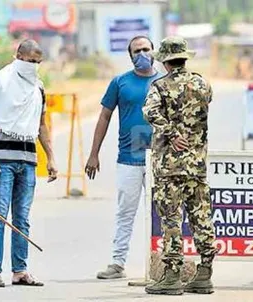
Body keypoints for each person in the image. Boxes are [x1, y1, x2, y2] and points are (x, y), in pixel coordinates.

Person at [0, 39, 58, 288]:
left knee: (22, 217)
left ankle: (20, 270)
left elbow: (41, 125)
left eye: (37, 62)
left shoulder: (38, 88)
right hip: (2, 161)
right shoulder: (0, 81)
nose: (33, 66)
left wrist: (50, 157)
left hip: (28, 161)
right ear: (17, 55)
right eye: (29, 60)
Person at [142, 37, 216, 295]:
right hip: (196, 165)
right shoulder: (202, 83)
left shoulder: (159, 86)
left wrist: (171, 133)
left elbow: (150, 112)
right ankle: (205, 272)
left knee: (172, 219)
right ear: (185, 58)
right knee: (201, 216)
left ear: (164, 60)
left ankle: (172, 276)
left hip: (169, 166)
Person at [86, 35, 163, 280]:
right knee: (125, 213)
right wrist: (94, 154)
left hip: (160, 159)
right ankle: (117, 263)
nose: (142, 54)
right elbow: (104, 117)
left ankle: (165, 264)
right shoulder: (120, 83)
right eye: (137, 50)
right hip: (129, 159)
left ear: (154, 51)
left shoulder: (165, 81)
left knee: (163, 213)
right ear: (130, 56)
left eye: (146, 49)